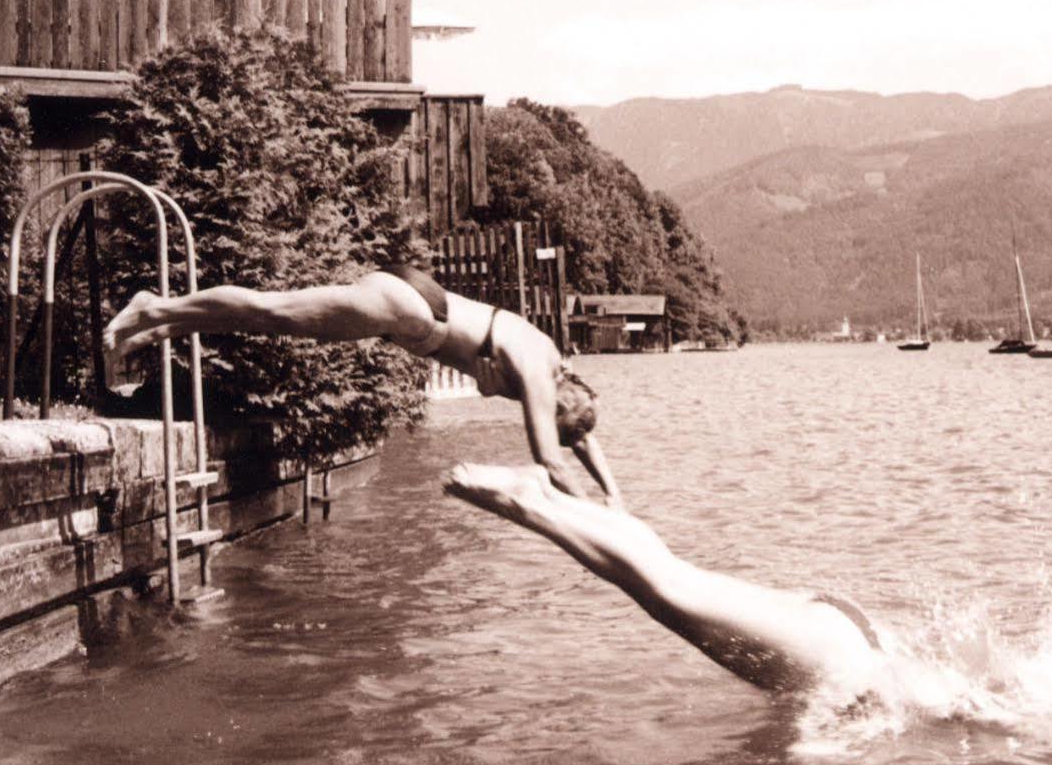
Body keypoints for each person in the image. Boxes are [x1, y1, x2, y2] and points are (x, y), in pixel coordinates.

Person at [102, 266, 620, 503]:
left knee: (270, 317)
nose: (543, 409)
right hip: (410, 310)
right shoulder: (536, 370)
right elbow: (549, 459)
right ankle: (156, 306)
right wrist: (598, 520)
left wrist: (615, 495)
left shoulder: (558, 365)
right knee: (272, 310)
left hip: (417, 310)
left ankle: (167, 324)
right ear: (558, 395)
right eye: (552, 411)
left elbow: (579, 436)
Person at [442, 462, 885, 693]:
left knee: (674, 579)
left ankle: (545, 495)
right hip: (834, 660)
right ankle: (532, 503)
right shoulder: (923, 697)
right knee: (668, 591)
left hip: (844, 630)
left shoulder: (915, 672)